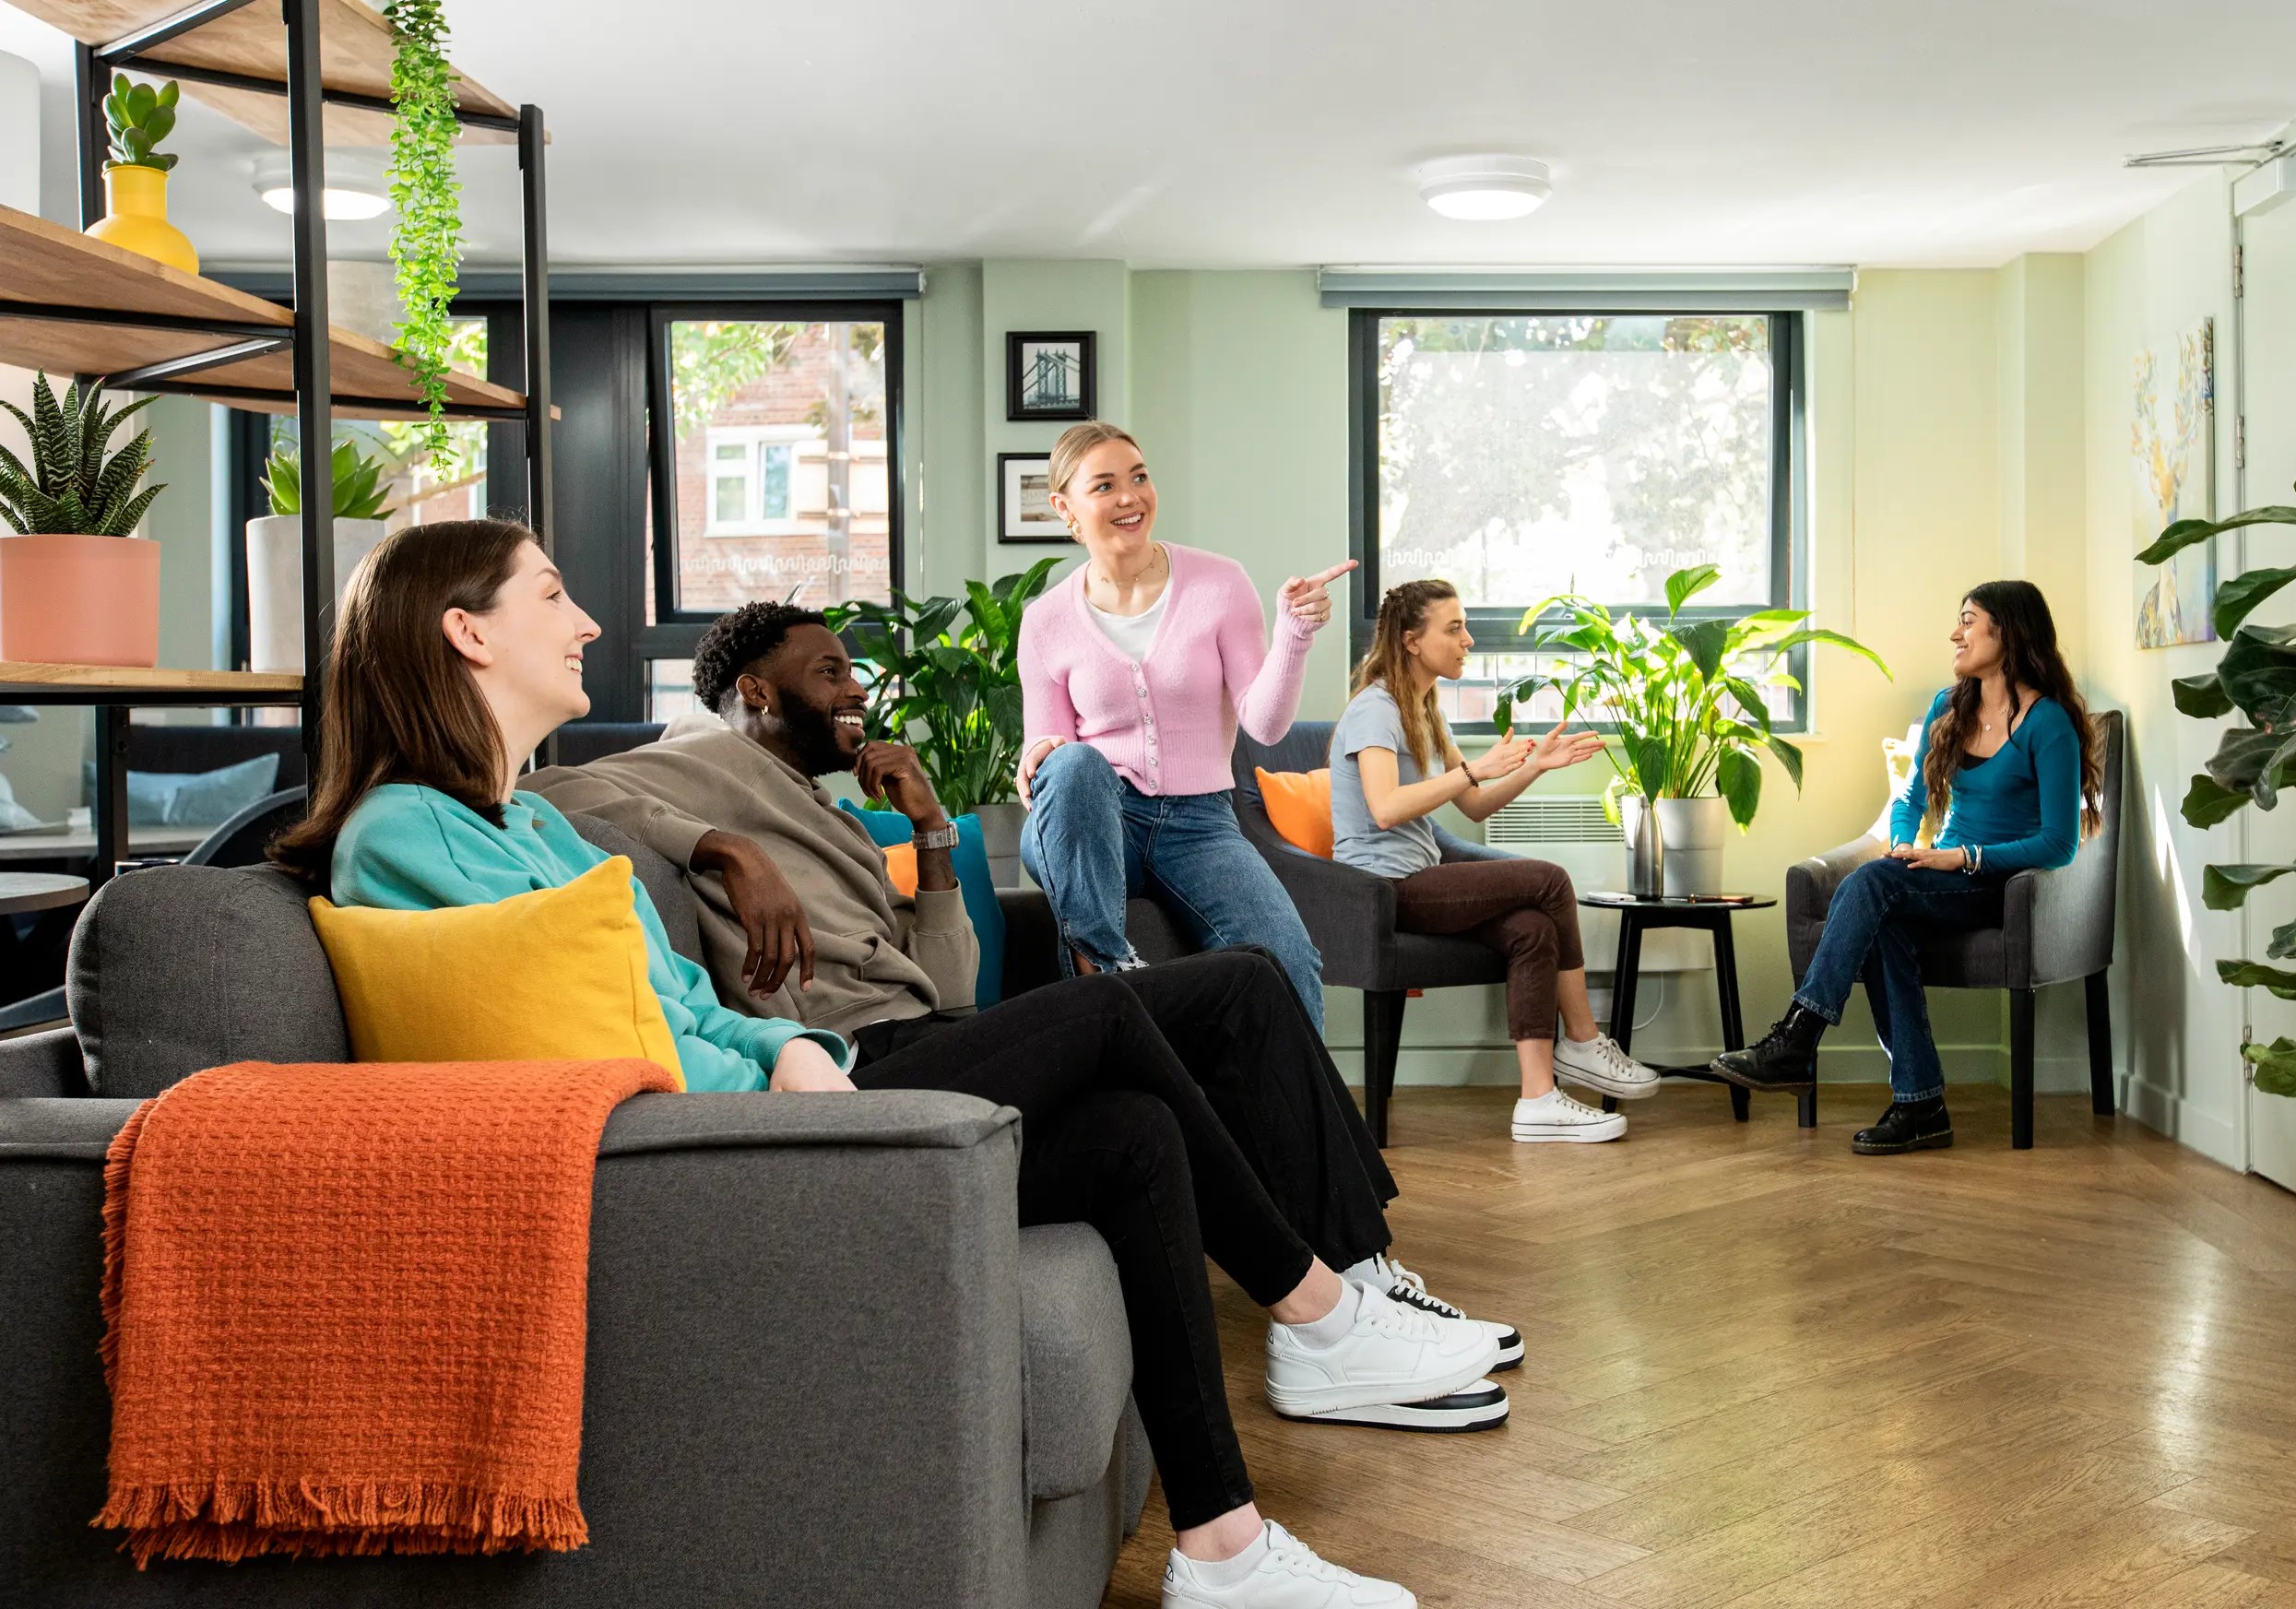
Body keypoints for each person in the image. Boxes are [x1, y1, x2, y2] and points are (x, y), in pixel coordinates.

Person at [274, 519, 1489, 1609]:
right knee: (1138, 1014)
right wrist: (747, 939)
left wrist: (792, 1039)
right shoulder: (404, 835)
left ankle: (1222, 1551)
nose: (588, 620)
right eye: (550, 596)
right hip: (709, 1157)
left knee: (1134, 1135)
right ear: (464, 634)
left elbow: (689, 1002)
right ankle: (1325, 1312)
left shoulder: (529, 825)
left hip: (794, 1092)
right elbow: (579, 1056)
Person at [523, 598, 1522, 1390]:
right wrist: (722, 846)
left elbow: (946, 979)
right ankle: (1346, 1290)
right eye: (827, 669)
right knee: (1221, 988)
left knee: (1239, 996)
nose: (853, 686)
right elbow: (555, 791)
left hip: (926, 1029)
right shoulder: (704, 761)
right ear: (754, 689)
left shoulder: (826, 806)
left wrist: (925, 828)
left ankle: (1354, 1282)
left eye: (850, 668)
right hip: (852, 1064)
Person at [1710, 580, 2099, 1154]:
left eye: (1969, 620)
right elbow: (1911, 800)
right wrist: (1901, 845)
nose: (1955, 633)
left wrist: (1961, 856)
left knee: (1870, 887)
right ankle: (1921, 1106)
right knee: (1882, 917)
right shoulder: (1950, 705)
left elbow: (2059, 844)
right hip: (1938, 879)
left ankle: (1798, 1040)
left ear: (2008, 632)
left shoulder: (2049, 723)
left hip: (1999, 886)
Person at [1016, 420, 1344, 1024]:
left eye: (1139, 477)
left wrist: (1295, 634)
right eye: (1106, 485)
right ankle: (1110, 968)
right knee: (1075, 762)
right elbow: (1046, 750)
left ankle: (1295, 1118)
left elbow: (1265, 726)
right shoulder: (1044, 621)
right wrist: (1040, 754)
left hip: (1199, 824)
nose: (1129, 497)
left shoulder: (1219, 584)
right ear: (1065, 507)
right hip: (1094, 816)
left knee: (1290, 959)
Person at [1332, 580, 1661, 1144]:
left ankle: (1538, 1100)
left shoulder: (1425, 709)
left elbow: (1475, 801)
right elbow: (1385, 809)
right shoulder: (1375, 710)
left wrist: (1535, 767)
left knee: (1532, 929)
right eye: (1453, 628)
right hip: (1383, 886)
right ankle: (1582, 1040)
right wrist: (1473, 770)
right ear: (1412, 640)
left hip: (1419, 877)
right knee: (1550, 881)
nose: (1468, 640)